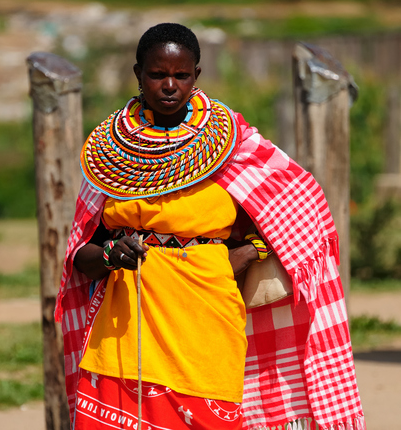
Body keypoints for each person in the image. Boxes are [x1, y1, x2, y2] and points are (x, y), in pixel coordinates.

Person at [55, 23, 365, 430]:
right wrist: (112, 255)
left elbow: (298, 211)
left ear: (196, 76)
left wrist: (248, 252)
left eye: (181, 75)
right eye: (157, 74)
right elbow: (82, 255)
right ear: (138, 74)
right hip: (123, 329)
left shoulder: (231, 142)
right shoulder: (109, 154)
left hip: (206, 318)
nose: (169, 85)